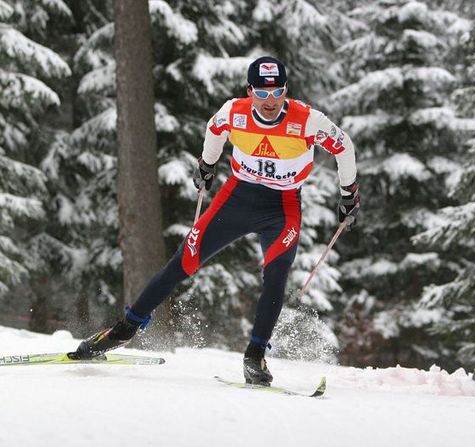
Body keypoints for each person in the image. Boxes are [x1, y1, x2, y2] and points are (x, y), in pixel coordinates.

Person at [70, 56, 360, 385]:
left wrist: (349, 193)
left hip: (282, 208)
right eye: (261, 94)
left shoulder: (307, 120)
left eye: (277, 92)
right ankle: (122, 331)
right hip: (236, 199)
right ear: (249, 91)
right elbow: (214, 128)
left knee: (276, 275)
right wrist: (207, 165)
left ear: (285, 90)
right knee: (183, 262)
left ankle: (255, 357)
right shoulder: (234, 112)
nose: (269, 101)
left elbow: (343, 147)